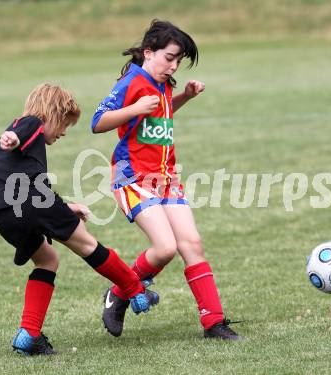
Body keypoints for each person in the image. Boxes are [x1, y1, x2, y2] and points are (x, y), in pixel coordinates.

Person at [91, 20, 241, 340]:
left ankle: (214, 323)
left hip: (166, 176)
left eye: (178, 61)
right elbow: (98, 122)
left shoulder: (165, 83)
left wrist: (184, 96)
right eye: (169, 57)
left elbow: (160, 114)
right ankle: (120, 293)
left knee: (192, 244)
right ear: (149, 52)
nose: (173, 65)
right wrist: (132, 108)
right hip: (132, 176)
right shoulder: (131, 82)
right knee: (165, 248)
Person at [0, 83, 158, 356]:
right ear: (53, 113)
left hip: (4, 214)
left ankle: (29, 335)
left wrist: (65, 207)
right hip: (33, 203)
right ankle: (135, 290)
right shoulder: (31, 123)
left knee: (47, 260)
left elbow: (28, 180)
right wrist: (11, 138)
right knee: (87, 244)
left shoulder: (29, 138)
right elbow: (17, 134)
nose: (64, 131)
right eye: (64, 123)